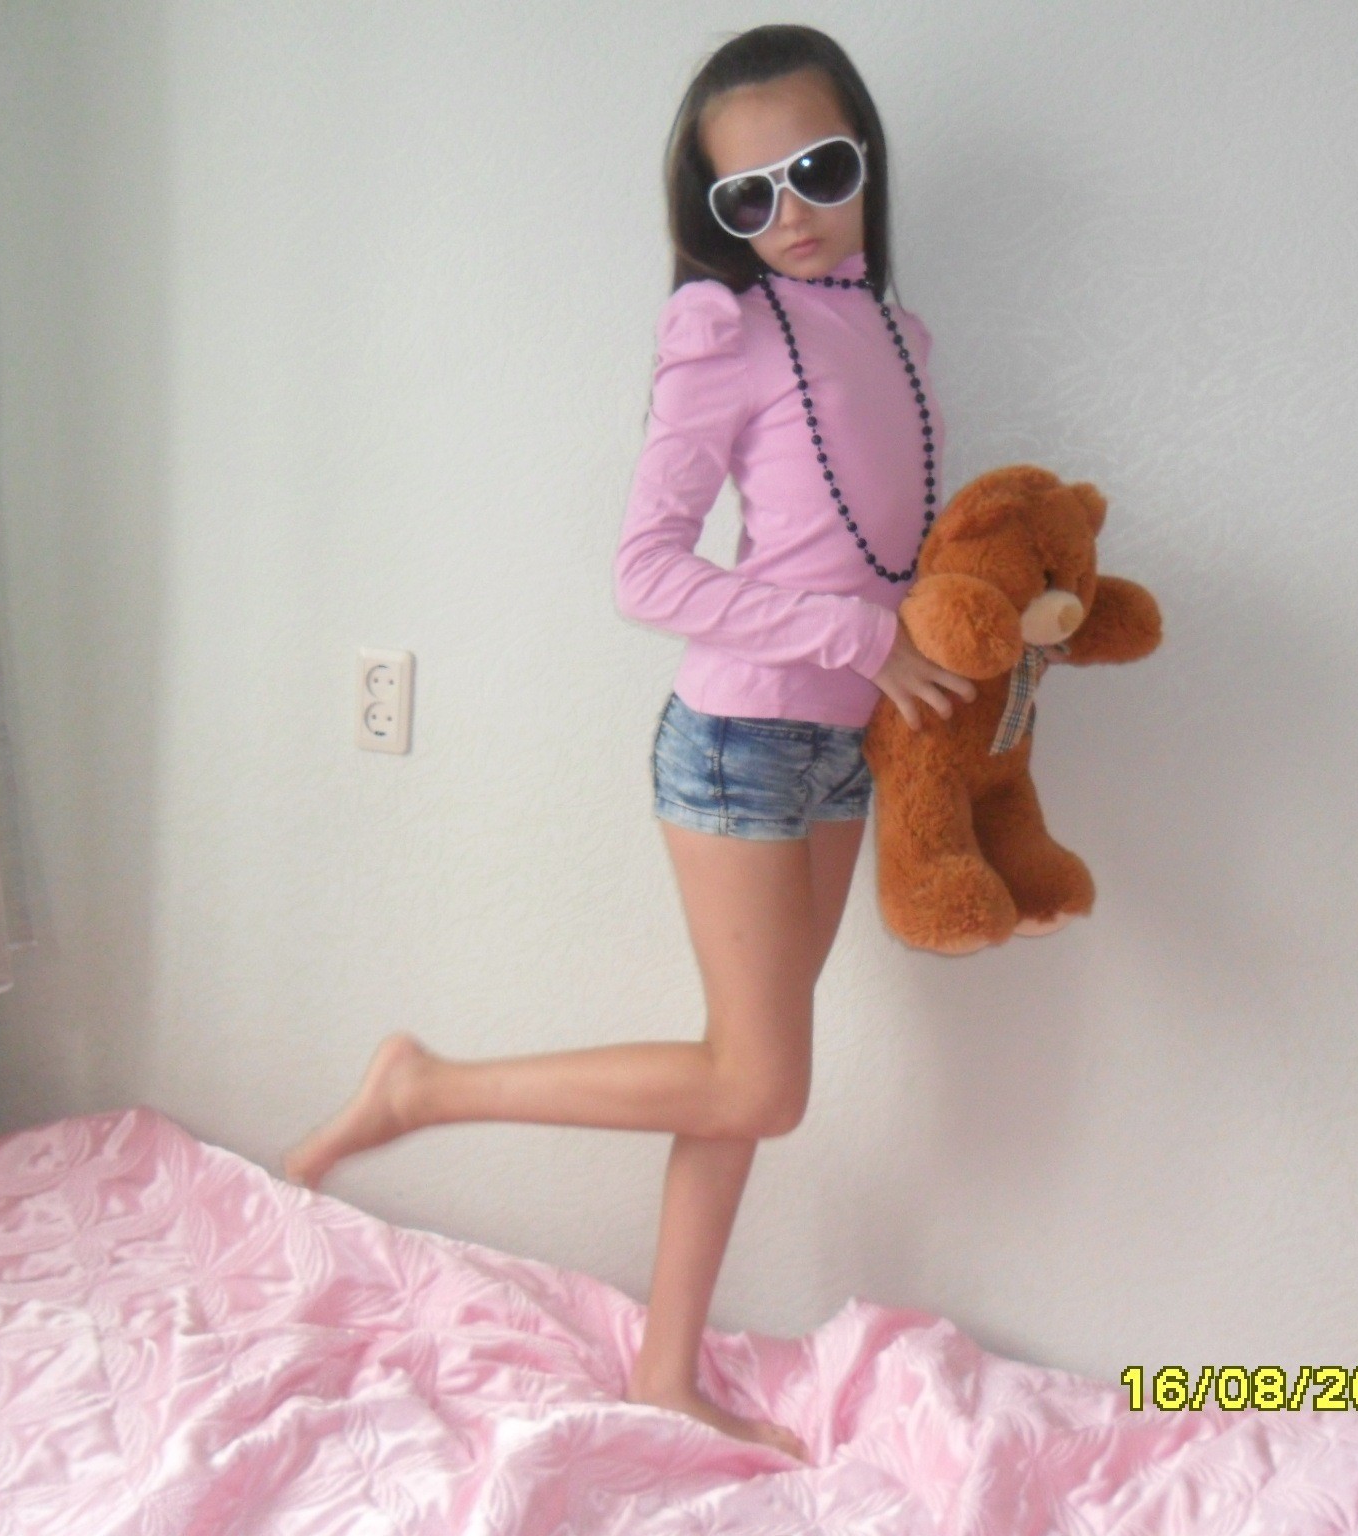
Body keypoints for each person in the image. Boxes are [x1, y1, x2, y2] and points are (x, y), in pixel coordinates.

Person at [281, 23, 973, 1463]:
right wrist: (861, 639)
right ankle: (423, 1088)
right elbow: (645, 572)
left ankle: (666, 1370)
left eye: (819, 170)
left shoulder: (902, 340)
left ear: (866, 156)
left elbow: (883, 560)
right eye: (748, 195)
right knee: (763, 1083)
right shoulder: (723, 332)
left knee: (738, 1075)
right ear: (713, 213)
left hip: (842, 753)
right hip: (736, 743)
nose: (790, 213)